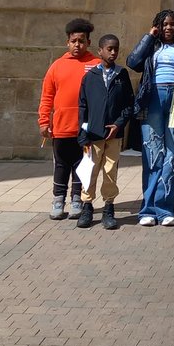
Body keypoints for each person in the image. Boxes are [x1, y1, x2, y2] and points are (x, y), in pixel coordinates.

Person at [126, 9, 174, 227]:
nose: (169, 28)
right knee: (152, 154)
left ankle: (165, 209)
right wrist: (149, 36)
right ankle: (147, 210)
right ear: (158, 25)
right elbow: (133, 62)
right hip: (153, 100)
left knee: (172, 154)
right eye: (164, 24)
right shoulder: (152, 46)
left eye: (172, 24)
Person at [38, 18, 101, 220]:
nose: (77, 45)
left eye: (81, 41)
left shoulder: (96, 65)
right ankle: (58, 199)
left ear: (88, 42)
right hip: (61, 128)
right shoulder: (57, 66)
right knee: (61, 165)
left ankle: (77, 198)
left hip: (85, 129)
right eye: (74, 41)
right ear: (68, 42)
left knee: (81, 165)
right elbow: (47, 96)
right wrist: (44, 122)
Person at [76, 34, 134, 230]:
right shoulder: (90, 77)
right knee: (90, 170)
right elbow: (83, 106)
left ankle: (109, 206)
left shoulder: (121, 75)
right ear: (100, 51)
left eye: (116, 49)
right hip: (93, 135)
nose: (113, 52)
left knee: (110, 171)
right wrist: (82, 132)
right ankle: (87, 206)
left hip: (113, 135)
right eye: (109, 49)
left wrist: (119, 124)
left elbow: (128, 105)